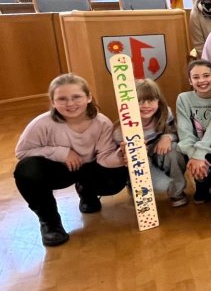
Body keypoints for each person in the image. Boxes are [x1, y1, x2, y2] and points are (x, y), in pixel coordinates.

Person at [14, 74, 128, 246]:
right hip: (59, 171)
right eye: (62, 99)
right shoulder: (42, 124)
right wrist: (62, 153)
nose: (70, 103)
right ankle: (50, 223)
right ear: (52, 102)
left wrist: (121, 155)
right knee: (27, 171)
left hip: (90, 168)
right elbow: (22, 152)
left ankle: (87, 192)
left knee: (116, 177)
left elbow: (105, 157)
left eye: (76, 97)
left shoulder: (102, 122)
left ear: (89, 97)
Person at [116, 79, 188, 207]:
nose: (146, 106)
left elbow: (177, 133)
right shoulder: (121, 129)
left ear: (158, 101)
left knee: (174, 149)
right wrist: (125, 153)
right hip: (141, 161)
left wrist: (168, 137)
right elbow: (118, 154)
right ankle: (137, 188)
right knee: (160, 183)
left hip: (159, 154)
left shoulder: (165, 114)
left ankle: (176, 192)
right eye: (140, 101)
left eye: (151, 100)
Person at [176, 59, 211, 204]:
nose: (202, 80)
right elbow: (184, 131)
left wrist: (200, 154)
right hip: (193, 149)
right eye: (196, 77)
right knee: (186, 155)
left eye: (206, 75)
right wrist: (195, 157)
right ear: (190, 81)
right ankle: (201, 183)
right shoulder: (183, 98)